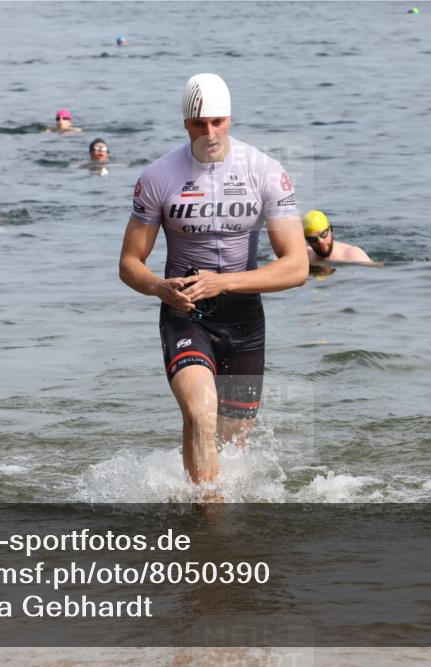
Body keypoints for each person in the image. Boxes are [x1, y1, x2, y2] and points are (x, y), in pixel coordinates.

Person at [118, 73, 308, 492]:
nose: (210, 132)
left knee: (232, 448)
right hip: (186, 314)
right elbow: (130, 263)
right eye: (199, 123)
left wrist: (224, 283)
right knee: (200, 413)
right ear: (185, 123)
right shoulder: (158, 177)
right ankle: (211, 535)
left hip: (244, 320)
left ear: (230, 119)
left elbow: (296, 267)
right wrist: (156, 286)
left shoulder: (266, 172)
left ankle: (200, 515)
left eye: (218, 121)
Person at [302, 209, 375, 264]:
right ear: (306, 240)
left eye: (323, 234)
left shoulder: (353, 255)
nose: (320, 241)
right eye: (312, 239)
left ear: (330, 229)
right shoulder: (305, 257)